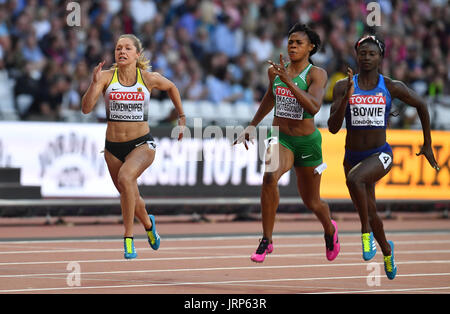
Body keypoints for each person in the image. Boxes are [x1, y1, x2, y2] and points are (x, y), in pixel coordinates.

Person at [327, 35, 439, 279]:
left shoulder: (390, 86)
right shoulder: (342, 86)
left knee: (356, 180)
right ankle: (387, 250)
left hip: (380, 154)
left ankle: (365, 232)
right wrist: (346, 97)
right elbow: (333, 128)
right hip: (352, 156)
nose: (366, 57)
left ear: (380, 57)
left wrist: (427, 143)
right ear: (356, 56)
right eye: (362, 53)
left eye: (372, 54)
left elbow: (421, 105)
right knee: (371, 209)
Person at [234, 23, 340, 263]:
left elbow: (313, 107)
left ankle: (330, 230)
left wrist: (288, 81)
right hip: (281, 138)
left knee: (312, 201)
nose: (292, 46)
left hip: (307, 142)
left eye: (298, 43)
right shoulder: (276, 71)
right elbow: (270, 97)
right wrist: (252, 124)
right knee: (269, 177)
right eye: (290, 42)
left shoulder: (317, 74)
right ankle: (267, 239)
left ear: (311, 48)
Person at [81, 34, 186, 259]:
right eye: (118, 48)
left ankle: (128, 239)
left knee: (126, 179)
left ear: (137, 54)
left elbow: (172, 87)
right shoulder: (106, 77)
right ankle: (149, 225)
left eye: (127, 48)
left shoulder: (147, 78)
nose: (122, 52)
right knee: (129, 194)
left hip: (142, 144)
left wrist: (182, 116)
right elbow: (86, 109)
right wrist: (93, 83)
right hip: (113, 149)